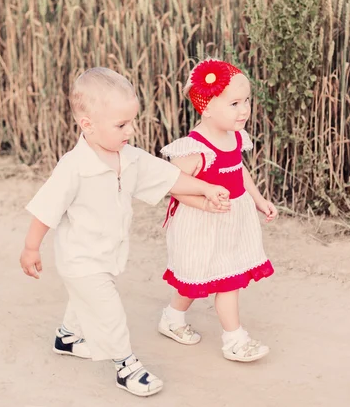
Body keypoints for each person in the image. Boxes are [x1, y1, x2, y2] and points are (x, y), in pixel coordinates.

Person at [19, 67, 229, 397]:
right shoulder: (74, 167)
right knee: (108, 310)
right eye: (121, 125)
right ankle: (125, 365)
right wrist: (31, 248)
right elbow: (46, 210)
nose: (131, 130)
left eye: (131, 121)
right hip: (80, 258)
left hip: (107, 254)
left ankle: (67, 337)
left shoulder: (129, 158)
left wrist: (205, 187)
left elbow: (169, 178)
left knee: (86, 299)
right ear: (87, 124)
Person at [157, 59, 277, 362]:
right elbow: (173, 186)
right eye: (234, 103)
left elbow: (240, 171)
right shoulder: (194, 148)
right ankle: (234, 340)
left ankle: (172, 319)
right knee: (217, 279)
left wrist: (259, 199)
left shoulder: (234, 136)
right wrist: (203, 201)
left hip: (232, 220)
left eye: (247, 100)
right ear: (207, 107)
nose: (245, 109)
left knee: (215, 277)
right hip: (201, 224)